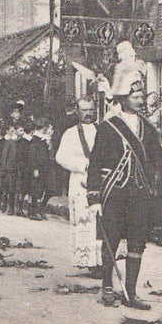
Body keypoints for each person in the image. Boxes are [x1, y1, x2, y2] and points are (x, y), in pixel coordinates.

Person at [87, 52, 162, 311]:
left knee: (136, 242)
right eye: (135, 97)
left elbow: (156, 159)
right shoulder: (109, 127)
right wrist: (94, 198)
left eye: (142, 96)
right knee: (110, 240)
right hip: (114, 193)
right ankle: (107, 288)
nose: (140, 101)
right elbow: (95, 163)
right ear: (123, 99)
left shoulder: (148, 128)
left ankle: (130, 291)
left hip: (139, 194)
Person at [54, 98, 101, 274]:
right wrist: (82, 165)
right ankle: (90, 261)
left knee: (101, 222)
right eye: (84, 110)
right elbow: (60, 157)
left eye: (91, 110)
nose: (88, 114)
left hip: (100, 182)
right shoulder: (70, 133)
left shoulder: (102, 130)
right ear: (77, 112)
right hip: (80, 182)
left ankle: (103, 261)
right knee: (86, 223)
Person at [26, 117, 53, 220]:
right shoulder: (35, 140)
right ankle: (33, 212)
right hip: (38, 168)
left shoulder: (43, 139)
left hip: (44, 167)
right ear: (44, 127)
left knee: (42, 189)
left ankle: (39, 210)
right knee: (36, 190)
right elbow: (32, 156)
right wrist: (35, 168)